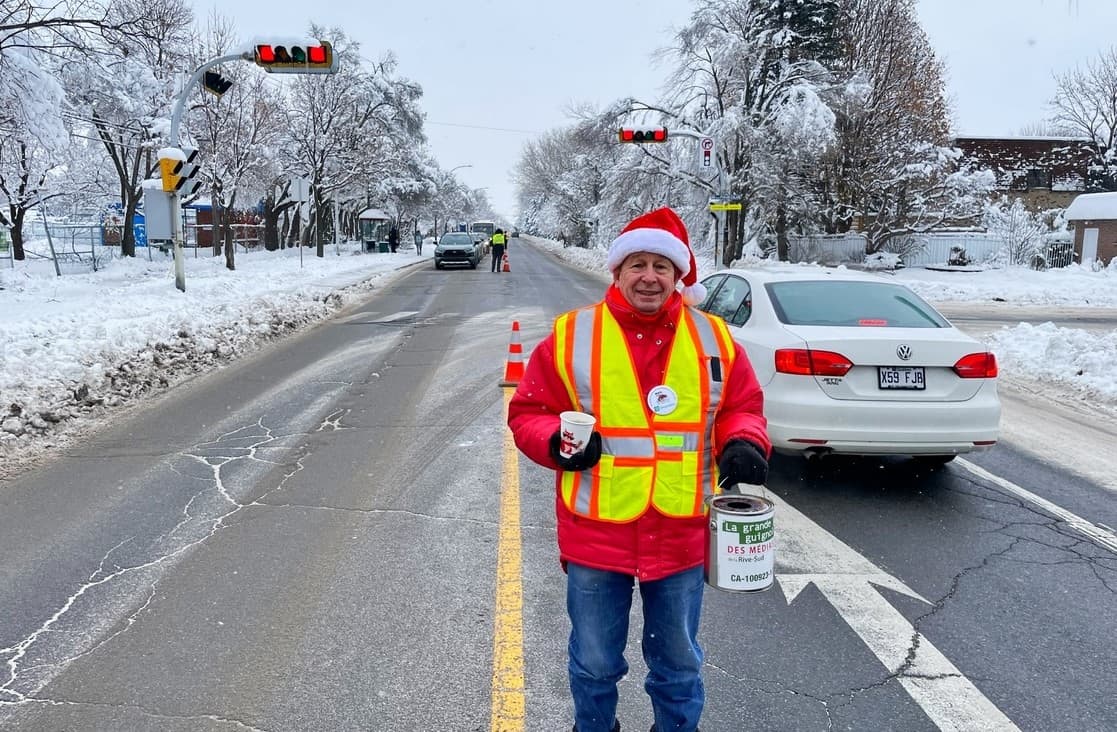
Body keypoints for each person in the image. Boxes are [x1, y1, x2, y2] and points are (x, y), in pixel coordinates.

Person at [507, 207, 770, 732]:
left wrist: (744, 439)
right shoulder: (571, 334)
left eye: (662, 266)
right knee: (595, 663)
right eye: (638, 264)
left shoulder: (714, 338)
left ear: (678, 276)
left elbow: (743, 405)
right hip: (596, 535)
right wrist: (556, 444)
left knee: (678, 666)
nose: (650, 276)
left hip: (679, 533)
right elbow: (528, 413)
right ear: (617, 270)